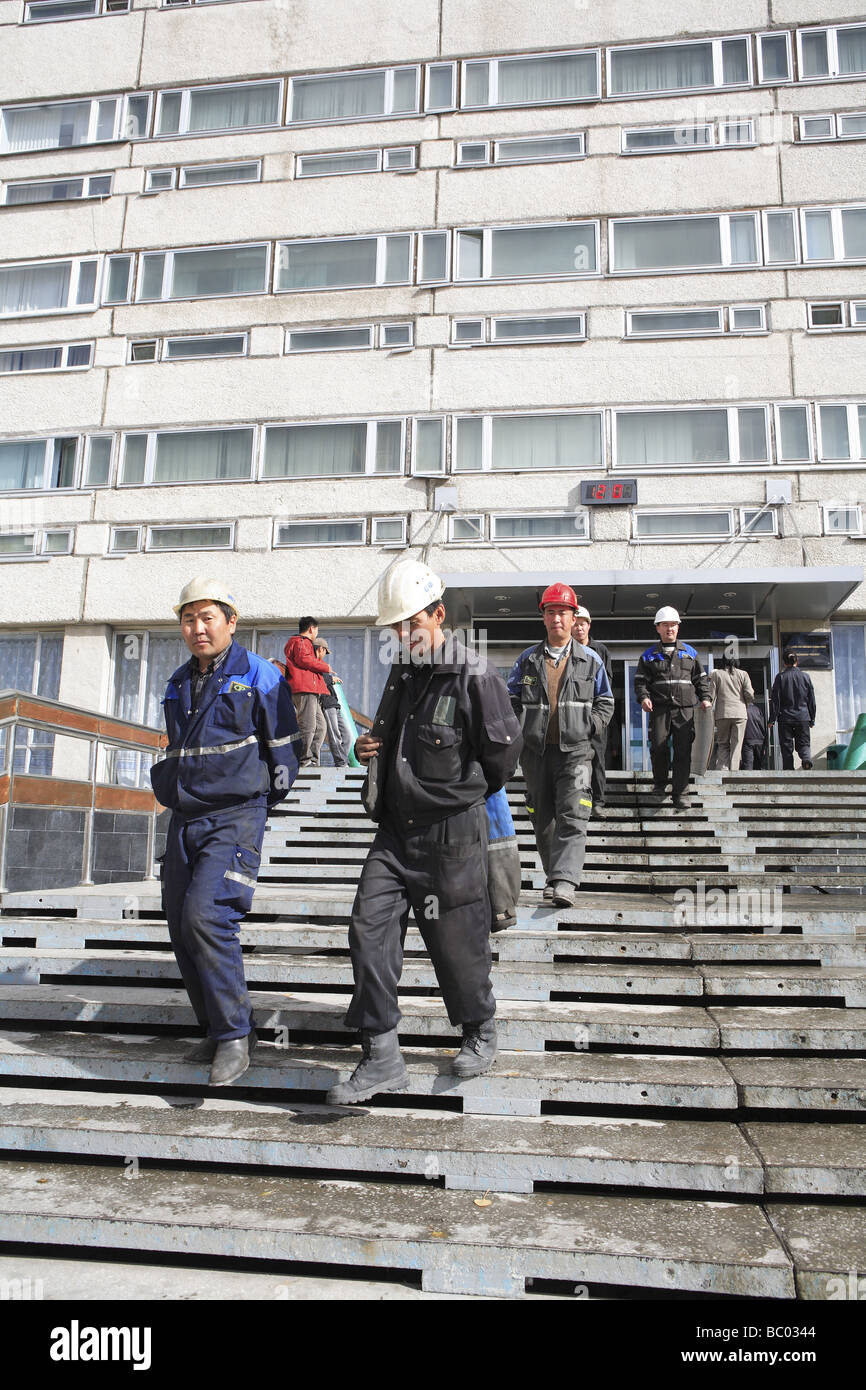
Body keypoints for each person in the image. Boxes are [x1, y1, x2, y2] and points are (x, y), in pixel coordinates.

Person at [327, 558, 523, 1105]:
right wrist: (375, 750)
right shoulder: (404, 672)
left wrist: (452, 796)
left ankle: (480, 1027)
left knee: (456, 943)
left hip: (450, 834)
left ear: (439, 615)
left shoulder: (474, 675)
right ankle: (382, 1056)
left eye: (411, 624)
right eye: (395, 628)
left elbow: (503, 756)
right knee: (369, 930)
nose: (403, 636)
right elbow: (399, 739)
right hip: (394, 834)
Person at [150, 577, 300, 1086]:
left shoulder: (259, 674)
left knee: (205, 914)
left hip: (235, 816)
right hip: (184, 817)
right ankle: (217, 1029)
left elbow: (284, 750)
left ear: (230, 622)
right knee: (178, 920)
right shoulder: (176, 682)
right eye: (189, 619)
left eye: (207, 617)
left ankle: (236, 1035)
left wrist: (254, 803)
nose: (197, 628)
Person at [507, 583, 614, 907]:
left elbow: (605, 702)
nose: (557, 618)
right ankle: (555, 876)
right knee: (542, 817)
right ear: (543, 617)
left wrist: (588, 727)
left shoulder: (590, 659)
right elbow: (509, 699)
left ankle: (565, 881)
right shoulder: (527, 660)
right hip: (535, 753)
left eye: (563, 612)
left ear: (573, 617)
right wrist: (520, 732)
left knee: (574, 813)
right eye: (551, 612)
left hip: (577, 752)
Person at [634, 606, 712, 810]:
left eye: (673, 625)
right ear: (657, 628)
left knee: (683, 751)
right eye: (665, 625)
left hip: (684, 710)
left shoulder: (690, 653)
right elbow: (640, 682)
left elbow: (701, 679)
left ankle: (681, 794)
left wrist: (706, 698)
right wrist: (643, 698)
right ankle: (659, 785)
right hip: (659, 710)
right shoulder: (649, 655)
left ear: (678, 627)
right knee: (658, 748)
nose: (670, 628)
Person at [572, 604, 613, 813]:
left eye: (583, 624)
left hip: (594, 716)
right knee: (577, 759)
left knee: (597, 757)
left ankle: (598, 800)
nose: (579, 628)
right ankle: (580, 799)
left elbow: (606, 686)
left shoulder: (600, 651)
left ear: (589, 626)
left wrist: (598, 718)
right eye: (576, 624)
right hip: (572, 717)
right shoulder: (565, 651)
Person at [283, 617, 331, 766]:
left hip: (310, 690)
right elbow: (305, 660)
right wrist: (326, 667)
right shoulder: (302, 642)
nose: (316, 633)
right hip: (304, 688)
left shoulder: (302, 643)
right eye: (316, 630)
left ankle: (313, 760)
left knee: (321, 726)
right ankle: (303, 759)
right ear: (311, 629)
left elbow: (307, 661)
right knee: (308, 725)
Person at [769, 650, 816, 770]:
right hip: (803, 717)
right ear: (797, 661)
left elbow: (775, 700)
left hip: (785, 718)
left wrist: (772, 719)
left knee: (786, 747)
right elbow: (811, 700)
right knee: (804, 743)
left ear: (784, 663)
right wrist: (812, 718)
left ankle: (789, 770)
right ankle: (806, 759)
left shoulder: (780, 677)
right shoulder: (805, 677)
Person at [708, 656, 754, 771]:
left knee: (722, 743)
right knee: (736, 744)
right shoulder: (743, 674)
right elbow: (749, 693)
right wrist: (746, 702)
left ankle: (722, 769)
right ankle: (734, 771)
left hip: (722, 714)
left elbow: (711, 696)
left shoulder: (717, 674)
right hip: (740, 713)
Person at [314, 638, 351, 767]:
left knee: (347, 735)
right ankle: (341, 763)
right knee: (335, 735)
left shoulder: (320, 665)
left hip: (334, 704)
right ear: (321, 649)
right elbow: (317, 679)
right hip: (326, 703)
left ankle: (342, 761)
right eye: (325, 652)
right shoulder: (311, 664)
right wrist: (331, 678)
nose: (325, 655)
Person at [741, 698, 768, 769]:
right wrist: (765, 742)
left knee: (748, 764)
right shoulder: (757, 710)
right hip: (759, 740)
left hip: (747, 740)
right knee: (760, 764)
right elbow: (763, 726)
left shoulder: (742, 710)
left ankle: (748, 780)